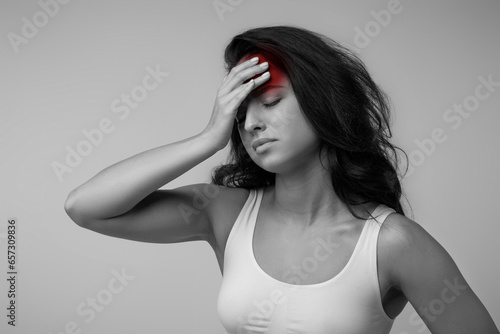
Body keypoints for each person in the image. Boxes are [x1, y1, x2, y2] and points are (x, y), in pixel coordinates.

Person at [64, 25, 499, 334]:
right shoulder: (225, 213)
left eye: (270, 101)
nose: (251, 123)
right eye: (240, 113)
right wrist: (206, 139)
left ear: (323, 102)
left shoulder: (393, 243)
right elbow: (85, 208)